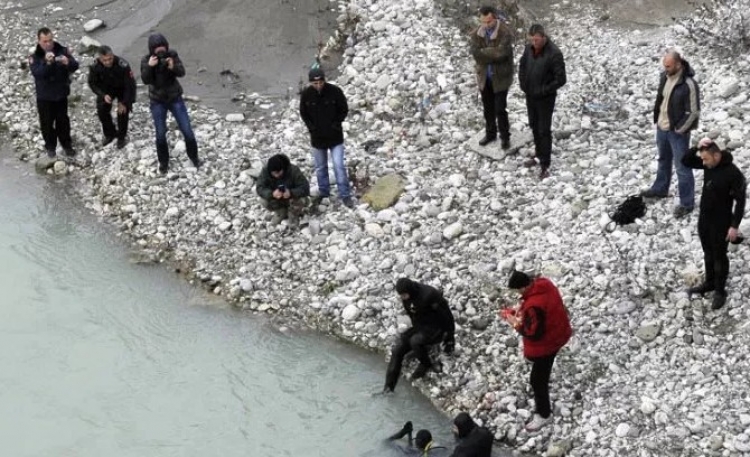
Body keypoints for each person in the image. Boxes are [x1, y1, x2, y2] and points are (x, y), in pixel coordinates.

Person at [500, 270, 572, 431]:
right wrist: (522, 311)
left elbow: (533, 333)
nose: (518, 294)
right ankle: (543, 403)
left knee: (537, 380)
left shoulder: (534, 305)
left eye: (518, 290)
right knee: (542, 373)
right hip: (560, 333)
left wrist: (514, 321)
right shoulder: (544, 284)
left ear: (524, 286)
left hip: (548, 344)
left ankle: (544, 414)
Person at [682, 138, 746, 310]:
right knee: (707, 253)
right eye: (702, 159)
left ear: (716, 155)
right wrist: (697, 146)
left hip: (721, 221)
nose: (703, 162)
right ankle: (709, 283)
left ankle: (720, 290)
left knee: (719, 256)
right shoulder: (708, 165)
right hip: (704, 219)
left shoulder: (733, 174)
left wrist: (734, 226)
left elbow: (740, 202)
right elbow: (685, 161)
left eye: (706, 159)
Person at [641, 50, 701, 218]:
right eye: (664, 66)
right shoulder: (664, 76)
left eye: (668, 66)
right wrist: (658, 121)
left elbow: (694, 111)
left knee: (682, 167)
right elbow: (661, 99)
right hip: (662, 127)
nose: (665, 69)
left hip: (677, 132)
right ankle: (660, 189)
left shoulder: (689, 84)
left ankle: (687, 203)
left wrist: (680, 129)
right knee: (663, 159)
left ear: (678, 64)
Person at [140, 33, 201, 174]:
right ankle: (164, 163)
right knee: (160, 134)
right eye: (158, 50)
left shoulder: (172, 55)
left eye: (163, 49)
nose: (161, 52)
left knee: (187, 131)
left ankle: (194, 157)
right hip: (157, 101)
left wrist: (172, 66)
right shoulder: (146, 60)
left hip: (175, 98)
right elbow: (145, 80)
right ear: (152, 50)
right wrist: (150, 66)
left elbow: (182, 73)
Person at [383, 278, 456, 393]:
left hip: (437, 329)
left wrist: (450, 338)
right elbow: (414, 317)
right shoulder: (407, 298)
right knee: (398, 348)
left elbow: (446, 315)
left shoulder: (429, 294)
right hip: (421, 327)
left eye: (404, 295)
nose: (402, 298)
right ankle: (388, 388)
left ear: (410, 290)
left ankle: (426, 364)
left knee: (415, 341)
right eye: (400, 295)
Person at [299, 67, 355, 208]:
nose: (318, 85)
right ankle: (324, 192)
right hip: (317, 139)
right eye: (315, 83)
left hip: (335, 137)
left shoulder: (335, 91)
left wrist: (336, 124)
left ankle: (345, 195)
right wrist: (311, 128)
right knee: (320, 167)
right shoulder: (306, 95)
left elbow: (344, 109)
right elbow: (303, 113)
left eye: (320, 82)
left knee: (339, 165)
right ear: (311, 83)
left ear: (324, 80)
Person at [518, 23, 566, 179]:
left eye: (537, 40)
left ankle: (545, 164)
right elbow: (522, 66)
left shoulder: (554, 53)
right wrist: (523, 84)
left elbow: (561, 79)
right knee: (533, 125)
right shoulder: (528, 49)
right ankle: (538, 155)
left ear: (544, 37)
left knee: (544, 130)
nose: (534, 43)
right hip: (530, 95)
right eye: (532, 40)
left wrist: (544, 90)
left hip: (545, 98)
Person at [29, 27, 80, 157]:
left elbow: (75, 65)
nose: (48, 44)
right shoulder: (35, 56)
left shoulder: (61, 50)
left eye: (50, 40)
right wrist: (48, 63)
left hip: (61, 94)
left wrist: (67, 62)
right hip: (45, 96)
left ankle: (67, 145)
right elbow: (38, 74)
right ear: (39, 41)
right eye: (45, 41)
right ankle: (50, 147)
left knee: (63, 121)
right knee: (46, 123)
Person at [470, 6, 514, 149]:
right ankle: (490, 134)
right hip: (484, 77)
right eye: (483, 22)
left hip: (501, 77)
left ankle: (505, 137)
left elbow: (501, 53)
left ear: (495, 17)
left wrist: (484, 54)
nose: (486, 25)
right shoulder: (476, 34)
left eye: (488, 22)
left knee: (500, 109)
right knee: (487, 107)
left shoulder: (505, 33)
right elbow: (475, 53)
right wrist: (491, 55)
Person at [87, 45, 137, 149]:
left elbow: (130, 85)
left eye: (110, 59)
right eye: (105, 60)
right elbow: (92, 83)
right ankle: (110, 133)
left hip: (122, 88)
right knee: (102, 110)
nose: (108, 62)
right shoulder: (95, 66)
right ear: (100, 58)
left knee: (122, 111)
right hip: (106, 89)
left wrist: (124, 102)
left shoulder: (122, 65)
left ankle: (121, 136)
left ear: (113, 55)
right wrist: (102, 95)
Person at [255, 154, 310, 226]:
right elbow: (259, 187)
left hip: (292, 199)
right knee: (263, 200)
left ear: (283, 168)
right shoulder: (266, 171)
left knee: (302, 199)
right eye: (274, 173)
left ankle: (293, 214)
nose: (277, 175)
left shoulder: (293, 170)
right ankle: (281, 212)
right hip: (277, 199)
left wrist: (291, 192)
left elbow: (305, 188)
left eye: (279, 172)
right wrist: (272, 194)